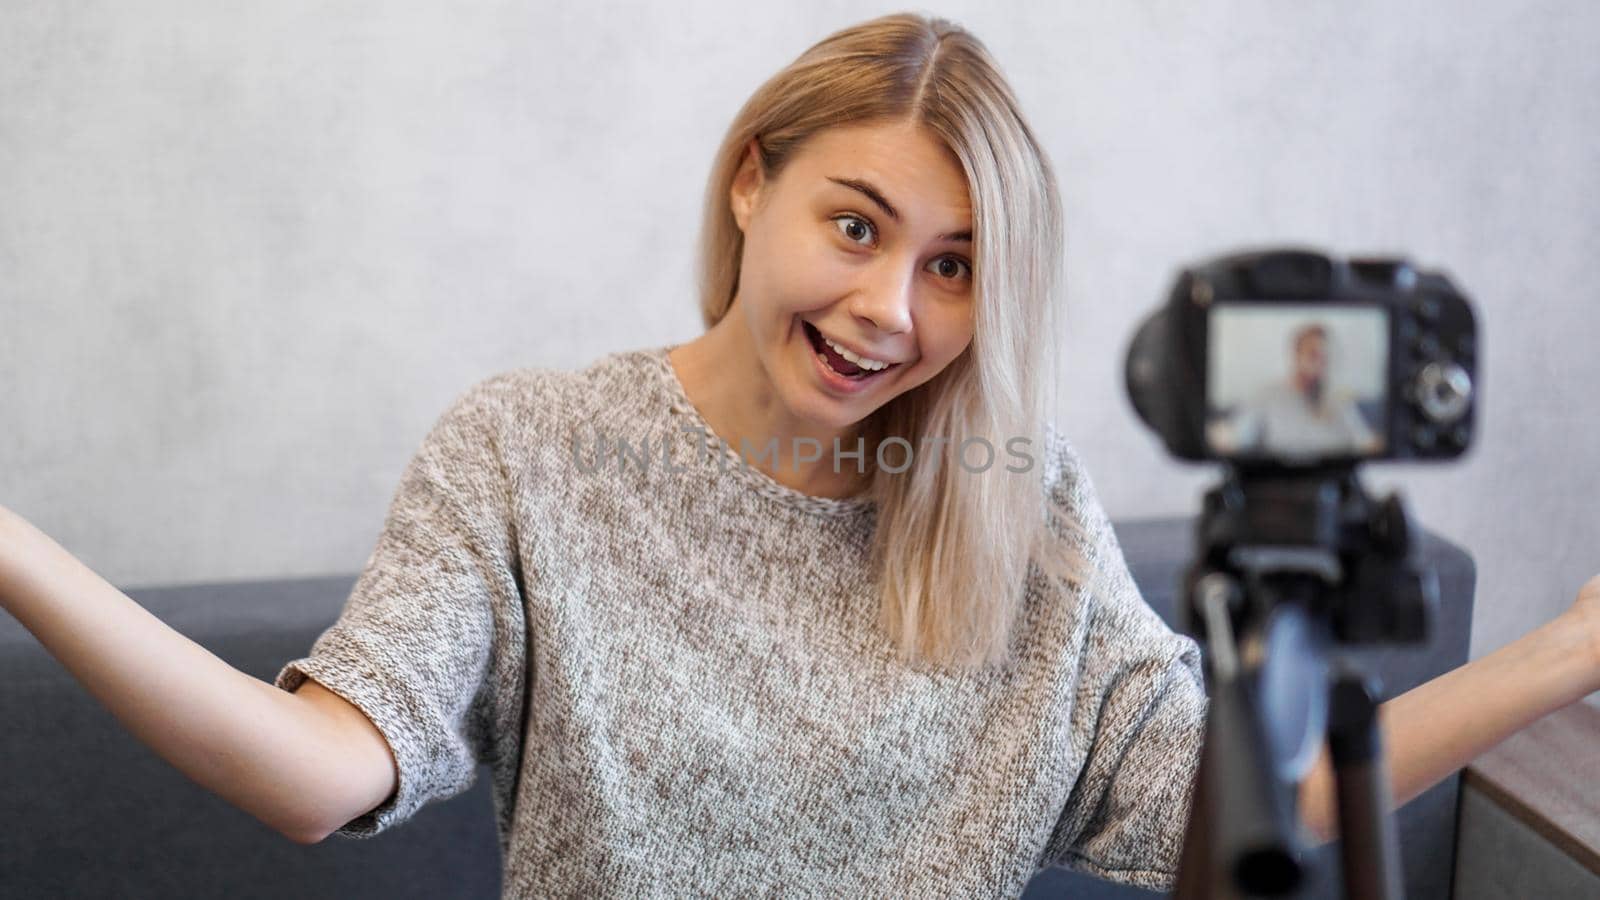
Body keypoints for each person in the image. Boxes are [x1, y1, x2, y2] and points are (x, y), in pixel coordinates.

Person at [2, 12, 1599, 899]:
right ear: (753, 183)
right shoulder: (530, 451)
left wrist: (1571, 648)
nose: (889, 308)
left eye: (956, 266)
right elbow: (319, 778)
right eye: (857, 224)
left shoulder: (1013, 503)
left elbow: (1243, 803)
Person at [1209, 323, 1383, 459]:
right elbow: (1237, 435)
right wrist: (1220, 436)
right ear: (1296, 354)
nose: (1319, 365)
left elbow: (1365, 444)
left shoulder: (1338, 400)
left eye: (1325, 358)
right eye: (1313, 355)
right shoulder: (1268, 395)